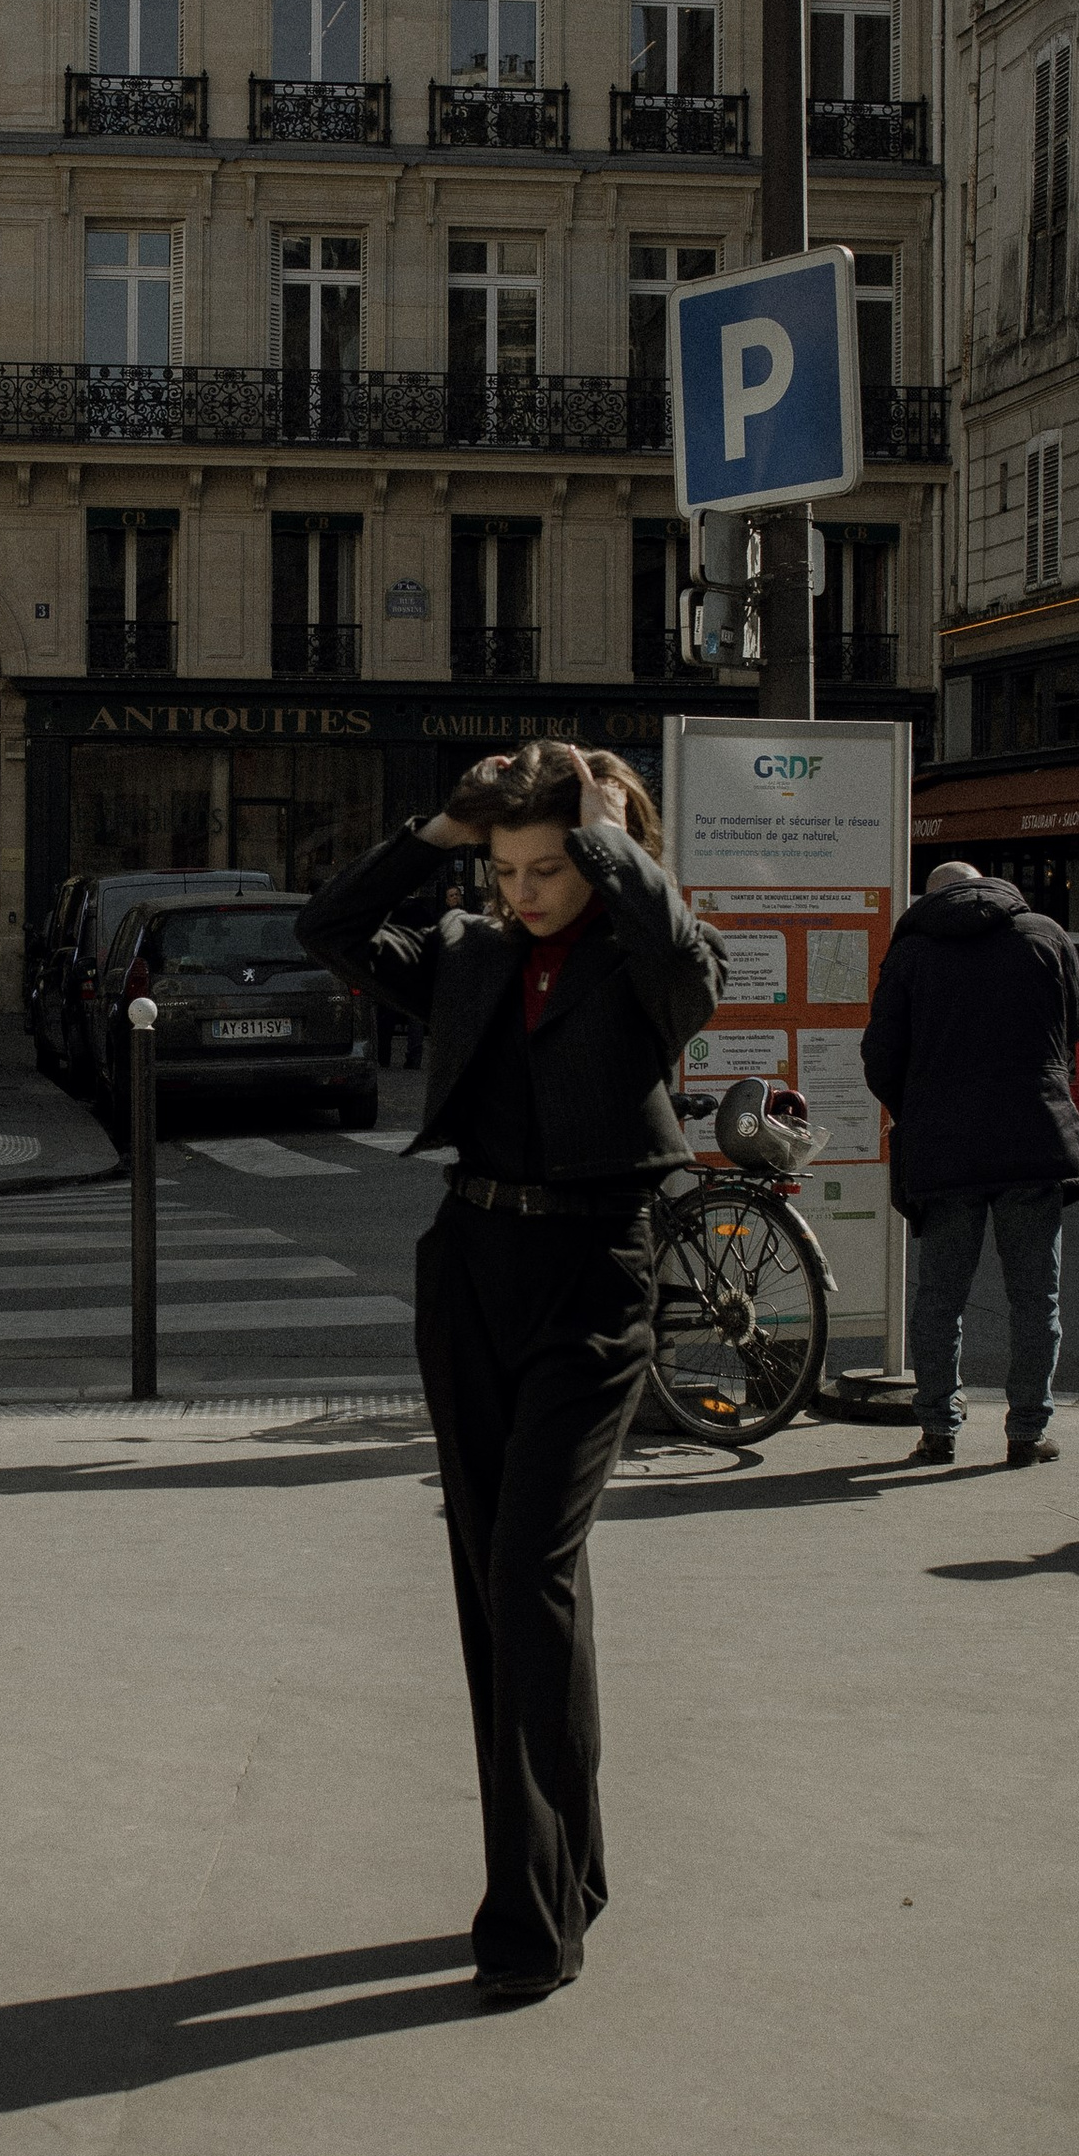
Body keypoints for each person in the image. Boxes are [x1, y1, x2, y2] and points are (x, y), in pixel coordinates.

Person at [300, 741, 726, 2005]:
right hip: (471, 1264)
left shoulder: (640, 963)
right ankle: (569, 1862)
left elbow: (694, 974)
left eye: (550, 868)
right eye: (509, 869)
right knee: (496, 1574)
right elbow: (330, 927)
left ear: (598, 857)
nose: (525, 891)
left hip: (598, 1271)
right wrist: (435, 835)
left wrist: (608, 840)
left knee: (527, 1565)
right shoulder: (472, 954)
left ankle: (532, 1914)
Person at [860, 860, 1079, 1469]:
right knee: (1035, 1298)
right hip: (1033, 1137)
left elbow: (880, 1055)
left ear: (934, 896)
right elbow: (1072, 1027)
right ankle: (1027, 1432)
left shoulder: (913, 950)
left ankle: (938, 1429)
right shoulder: (1047, 935)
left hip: (946, 1146)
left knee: (941, 1297)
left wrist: (919, 1105)